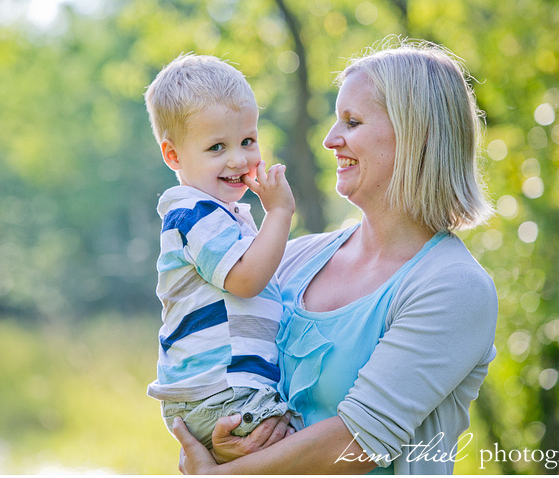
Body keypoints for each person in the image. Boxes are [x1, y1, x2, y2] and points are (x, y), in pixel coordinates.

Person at [171, 37, 499, 474]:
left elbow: (359, 441)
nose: (330, 139)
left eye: (353, 121)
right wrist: (225, 441)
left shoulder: (454, 286)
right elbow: (217, 369)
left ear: (415, 133)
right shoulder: (289, 259)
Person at [144, 54, 303, 450]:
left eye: (247, 140)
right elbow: (247, 281)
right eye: (217, 147)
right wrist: (280, 212)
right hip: (222, 391)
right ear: (174, 156)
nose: (238, 159)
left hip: (226, 389)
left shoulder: (222, 215)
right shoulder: (193, 214)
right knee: (312, 443)